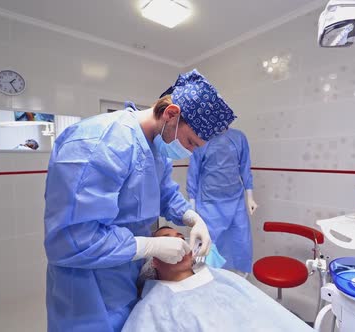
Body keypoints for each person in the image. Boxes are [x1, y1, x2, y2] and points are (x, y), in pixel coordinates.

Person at [43, 69, 236, 332]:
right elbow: (69, 241)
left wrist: (193, 218)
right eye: (190, 142)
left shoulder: (156, 149)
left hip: (124, 276)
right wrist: (149, 247)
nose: (189, 152)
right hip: (87, 291)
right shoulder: (99, 143)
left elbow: (165, 193)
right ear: (171, 114)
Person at [122, 226, 314, 332]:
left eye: (181, 238)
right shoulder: (153, 304)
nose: (179, 244)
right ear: (154, 260)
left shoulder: (223, 277)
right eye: (168, 240)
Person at [187, 128, 257, 273]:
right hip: (208, 203)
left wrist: (250, 197)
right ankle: (206, 278)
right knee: (208, 243)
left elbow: (244, 167)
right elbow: (193, 172)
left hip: (235, 200)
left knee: (241, 241)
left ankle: (239, 277)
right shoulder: (200, 138)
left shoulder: (238, 137)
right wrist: (191, 206)